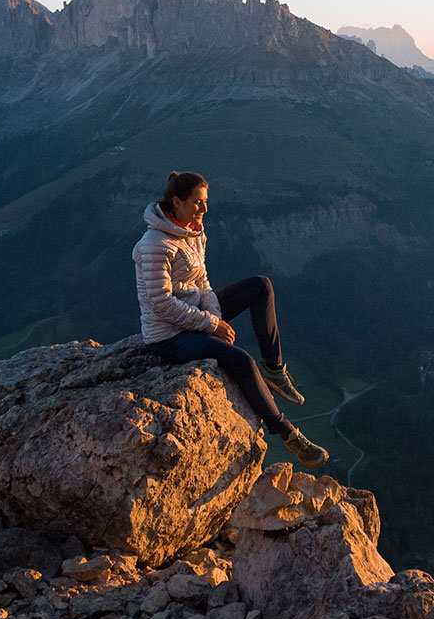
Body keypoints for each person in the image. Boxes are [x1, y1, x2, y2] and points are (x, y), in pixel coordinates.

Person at [133, 171, 329, 468]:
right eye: (198, 202)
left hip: (196, 315)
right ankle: (289, 434)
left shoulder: (193, 231)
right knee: (240, 360)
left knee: (260, 286)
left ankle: (274, 370)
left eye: (205, 201)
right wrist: (211, 325)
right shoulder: (154, 246)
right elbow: (160, 304)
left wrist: (213, 315)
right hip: (169, 336)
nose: (205, 209)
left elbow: (203, 282)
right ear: (177, 202)